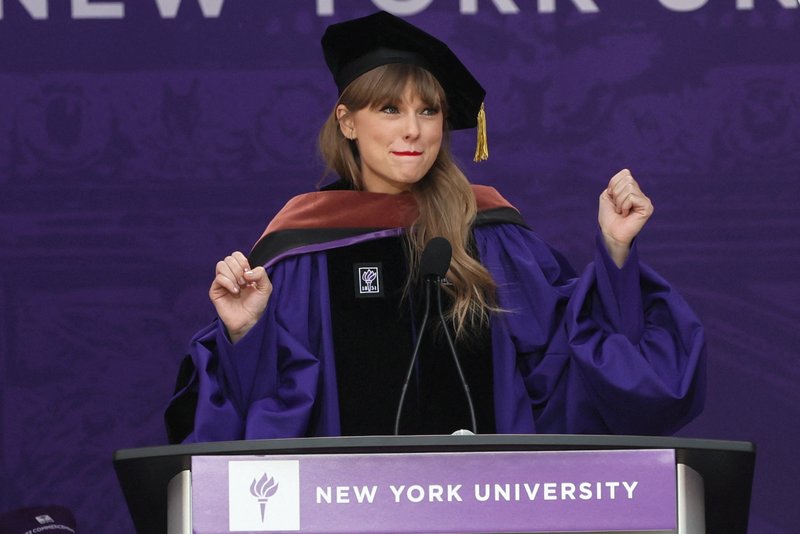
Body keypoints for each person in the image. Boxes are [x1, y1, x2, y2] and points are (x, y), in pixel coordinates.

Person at [164, 11, 706, 443]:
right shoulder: (301, 249)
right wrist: (244, 334)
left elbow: (570, 367)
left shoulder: (491, 235)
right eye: (390, 109)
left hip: (486, 510)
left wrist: (614, 251)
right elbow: (261, 416)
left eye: (428, 111)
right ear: (348, 121)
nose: (412, 130)